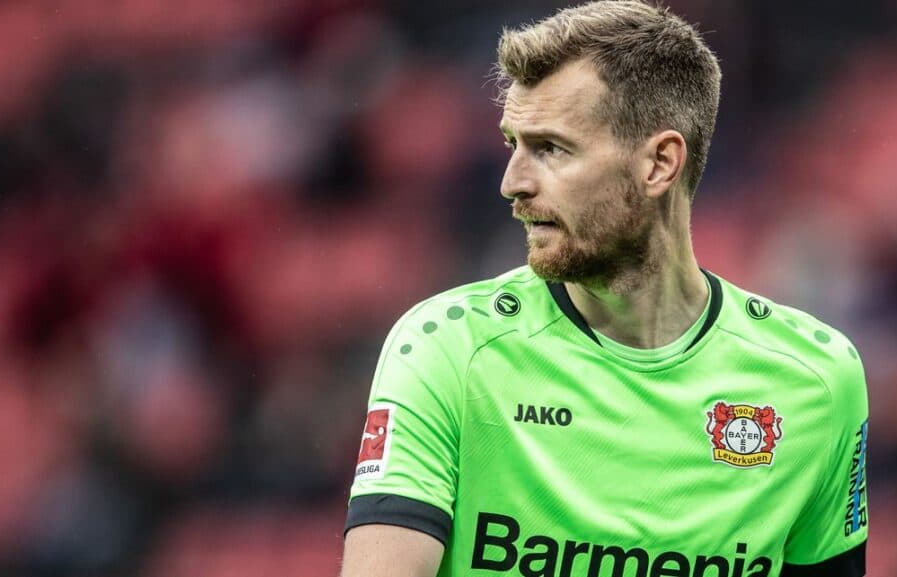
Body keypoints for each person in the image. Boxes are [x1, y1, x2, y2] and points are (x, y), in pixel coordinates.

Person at [340, 1, 869, 576]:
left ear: (659, 164)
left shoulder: (816, 381)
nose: (512, 183)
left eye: (551, 149)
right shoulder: (450, 350)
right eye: (512, 144)